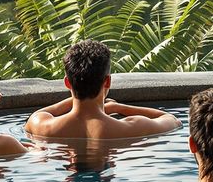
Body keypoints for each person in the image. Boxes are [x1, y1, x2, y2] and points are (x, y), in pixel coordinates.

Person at [25, 39, 181, 139]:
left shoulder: (42, 126)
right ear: (107, 82)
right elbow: (172, 120)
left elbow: (37, 115)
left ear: (67, 83)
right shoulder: (130, 128)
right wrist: (118, 107)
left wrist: (76, 97)